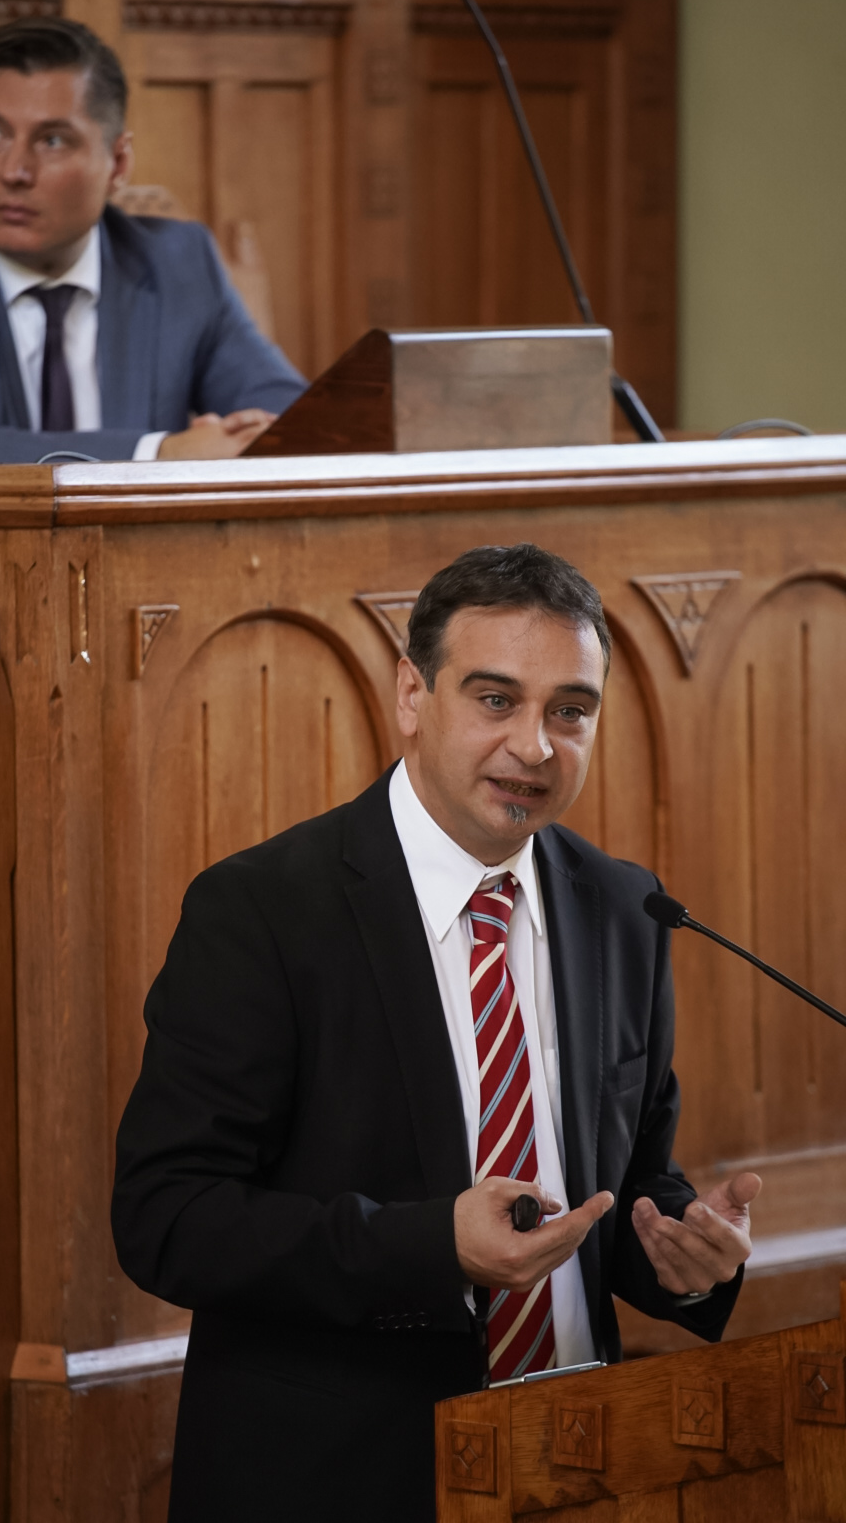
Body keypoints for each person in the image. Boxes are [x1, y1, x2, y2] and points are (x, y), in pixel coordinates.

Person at [111, 543, 760, 1523]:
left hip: (578, 1461)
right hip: (340, 1481)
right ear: (412, 694)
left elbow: (626, 1180)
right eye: (496, 699)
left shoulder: (626, 909)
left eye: (570, 710)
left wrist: (683, 1252)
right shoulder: (263, 911)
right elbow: (167, 1218)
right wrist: (430, 1245)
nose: (535, 746)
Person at [0, 18, 305, 464]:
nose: (14, 171)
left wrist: (250, 437)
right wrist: (159, 455)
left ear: (118, 164)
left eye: (52, 141)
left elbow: (298, 422)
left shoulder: (178, 263)